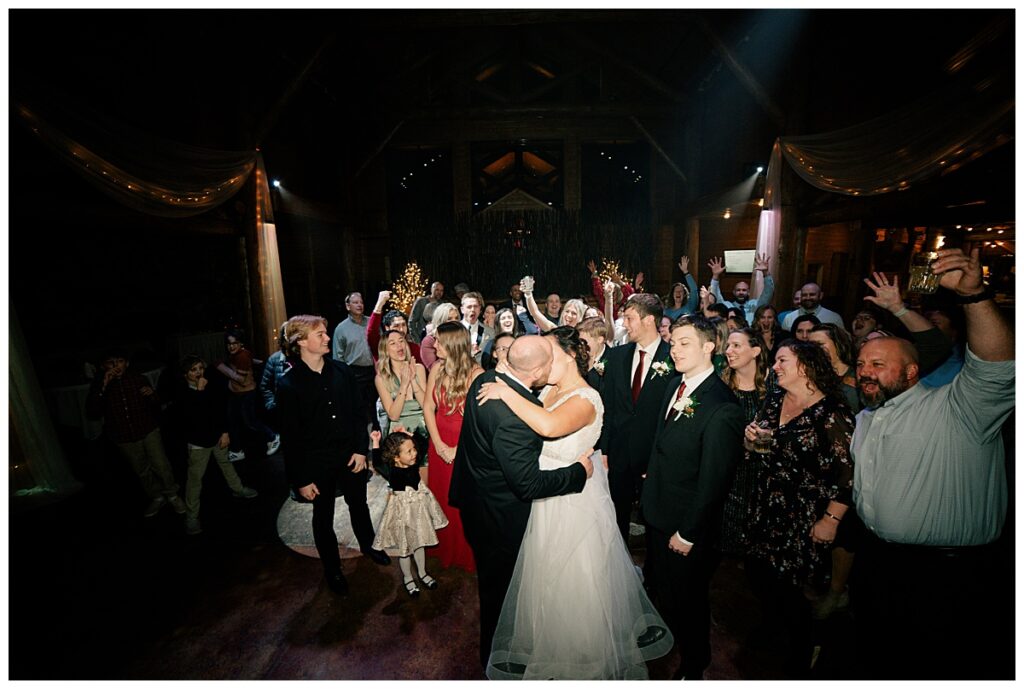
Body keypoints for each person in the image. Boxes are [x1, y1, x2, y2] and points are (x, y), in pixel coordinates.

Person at [851, 247, 1014, 680]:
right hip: (878, 565)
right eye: (862, 363)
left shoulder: (958, 409)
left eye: (879, 365)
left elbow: (1000, 368)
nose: (865, 371)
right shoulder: (866, 418)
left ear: (911, 372)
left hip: (946, 578)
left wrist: (975, 297)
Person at [478, 327, 673, 679]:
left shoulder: (586, 398)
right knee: (544, 577)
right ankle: (549, 647)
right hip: (548, 496)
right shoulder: (549, 388)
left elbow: (550, 426)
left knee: (576, 581)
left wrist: (505, 393)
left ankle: (585, 660)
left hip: (574, 502)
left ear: (568, 356)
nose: (543, 362)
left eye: (549, 354)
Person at [448, 334, 593, 671]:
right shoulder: (516, 418)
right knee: (500, 597)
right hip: (499, 520)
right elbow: (527, 484)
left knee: (496, 588)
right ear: (537, 370)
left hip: (476, 502)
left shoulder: (486, 379)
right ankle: (498, 666)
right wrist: (577, 473)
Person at [642, 315, 746, 680]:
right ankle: (671, 639)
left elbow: (714, 482)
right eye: (673, 342)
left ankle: (694, 665)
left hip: (687, 525)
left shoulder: (722, 406)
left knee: (689, 600)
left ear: (708, 347)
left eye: (685, 342)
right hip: (659, 510)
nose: (674, 349)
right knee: (667, 593)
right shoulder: (676, 385)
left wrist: (688, 532)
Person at [744, 339, 854, 677]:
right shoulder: (775, 398)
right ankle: (774, 627)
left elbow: (848, 474)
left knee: (794, 589)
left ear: (804, 367)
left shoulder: (831, 413)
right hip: (766, 504)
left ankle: (804, 651)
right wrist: (750, 438)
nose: (774, 367)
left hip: (804, 516)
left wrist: (831, 520)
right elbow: (758, 442)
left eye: (781, 361)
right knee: (760, 575)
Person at [277, 315, 392, 597]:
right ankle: (332, 569)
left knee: (358, 503)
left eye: (326, 333)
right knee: (323, 515)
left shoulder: (342, 371)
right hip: (316, 462)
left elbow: (357, 414)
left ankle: (368, 545)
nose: (327, 338)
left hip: (349, 453)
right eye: (320, 334)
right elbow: (290, 438)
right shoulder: (289, 384)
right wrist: (301, 480)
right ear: (301, 342)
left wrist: (360, 450)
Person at [596, 292, 675, 541]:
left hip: (654, 455)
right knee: (616, 515)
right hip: (619, 452)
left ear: (649, 320)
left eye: (629, 318)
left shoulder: (673, 359)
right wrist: (605, 451)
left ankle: (653, 573)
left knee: (654, 517)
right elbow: (609, 407)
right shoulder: (617, 357)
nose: (624, 324)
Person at [86, 349, 186, 518]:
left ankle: (172, 495)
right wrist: (103, 385)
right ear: (103, 366)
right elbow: (93, 413)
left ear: (127, 363)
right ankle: (156, 496)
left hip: (148, 429)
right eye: (111, 362)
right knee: (141, 469)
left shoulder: (138, 379)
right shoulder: (100, 385)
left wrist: (152, 395)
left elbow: (156, 404)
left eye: (119, 361)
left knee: (161, 464)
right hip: (123, 436)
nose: (115, 365)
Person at [173, 355, 258, 536]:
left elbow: (219, 410)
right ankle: (191, 516)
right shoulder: (182, 392)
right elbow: (190, 417)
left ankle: (238, 489)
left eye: (200, 368)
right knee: (195, 480)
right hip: (198, 442)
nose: (198, 372)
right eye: (193, 370)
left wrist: (225, 432)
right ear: (185, 374)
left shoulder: (209, 386)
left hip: (217, 437)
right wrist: (199, 392)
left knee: (226, 464)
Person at [423, 321, 483, 572]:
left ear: (452, 344)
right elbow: (428, 406)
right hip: (438, 445)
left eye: (438, 340)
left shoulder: (476, 374)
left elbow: (478, 422)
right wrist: (438, 444)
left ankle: (463, 552)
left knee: (463, 502)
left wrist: (456, 450)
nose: (433, 344)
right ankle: (442, 547)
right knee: (440, 498)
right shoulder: (436, 368)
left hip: (465, 446)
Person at [370, 429, 448, 597]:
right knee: (405, 547)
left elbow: (424, 443)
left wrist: (410, 435)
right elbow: (377, 462)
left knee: (419, 542)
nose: (414, 454)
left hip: (418, 508)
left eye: (413, 449)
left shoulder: (414, 461)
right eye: (409, 451)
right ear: (396, 457)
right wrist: (375, 442)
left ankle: (422, 573)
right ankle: (408, 577)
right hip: (402, 511)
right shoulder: (391, 470)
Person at [719, 327, 772, 557]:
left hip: (759, 471)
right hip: (726, 469)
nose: (729, 351)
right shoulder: (719, 385)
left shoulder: (772, 389)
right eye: (728, 345)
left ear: (756, 351)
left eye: (736, 346)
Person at [373, 330, 429, 482]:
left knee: (426, 488)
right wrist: (404, 385)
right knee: (403, 489)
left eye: (401, 340)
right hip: (399, 436)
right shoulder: (381, 378)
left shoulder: (418, 368)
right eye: (393, 343)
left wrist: (413, 381)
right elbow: (393, 415)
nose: (399, 346)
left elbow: (426, 406)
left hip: (423, 431)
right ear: (385, 350)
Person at [217, 328, 280, 462]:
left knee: (250, 421)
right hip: (237, 393)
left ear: (240, 343)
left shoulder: (242, 356)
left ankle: (273, 437)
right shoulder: (239, 354)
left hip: (245, 394)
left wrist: (221, 367)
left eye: (234, 343)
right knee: (233, 421)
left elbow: (241, 380)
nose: (231, 346)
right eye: (229, 344)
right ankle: (236, 450)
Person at [332, 292, 378, 428]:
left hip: (374, 370)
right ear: (347, 306)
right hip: (354, 373)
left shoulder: (371, 322)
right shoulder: (341, 329)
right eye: (355, 302)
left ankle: (379, 437)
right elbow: (338, 357)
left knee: (377, 405)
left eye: (361, 302)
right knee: (358, 409)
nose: (359, 305)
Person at [707, 253, 776, 324]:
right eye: (738, 290)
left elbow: (768, 293)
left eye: (744, 290)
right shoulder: (727, 305)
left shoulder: (755, 305)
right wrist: (715, 276)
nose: (741, 292)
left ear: (749, 292)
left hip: (751, 333)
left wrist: (765, 273)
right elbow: (715, 295)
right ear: (734, 292)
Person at [367, 290, 423, 365]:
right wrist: (380, 304)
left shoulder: (414, 348)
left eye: (403, 325)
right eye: (396, 326)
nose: (401, 330)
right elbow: (371, 332)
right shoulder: (381, 347)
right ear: (387, 328)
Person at [259, 322, 292, 433]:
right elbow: (265, 386)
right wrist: (272, 405)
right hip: (281, 411)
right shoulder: (274, 359)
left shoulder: (303, 358)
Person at [780, 282, 845, 331]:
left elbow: (840, 343)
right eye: (804, 295)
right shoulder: (789, 318)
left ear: (821, 296)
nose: (808, 298)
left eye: (812, 294)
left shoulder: (834, 318)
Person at [418, 302, 460, 371]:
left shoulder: (461, 338)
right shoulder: (430, 341)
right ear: (440, 321)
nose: (454, 322)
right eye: (449, 319)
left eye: (456, 318)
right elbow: (433, 369)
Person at [460, 291, 494, 365]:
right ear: (462, 309)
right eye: (469, 307)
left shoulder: (490, 332)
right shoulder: (453, 330)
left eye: (475, 306)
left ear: (480, 309)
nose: (472, 310)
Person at [664, 255, 700, 320]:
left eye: (681, 291)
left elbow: (694, 289)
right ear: (672, 294)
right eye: (676, 291)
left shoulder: (690, 306)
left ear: (684, 294)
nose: (678, 293)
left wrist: (686, 272)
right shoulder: (666, 312)